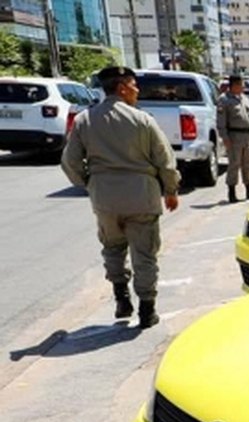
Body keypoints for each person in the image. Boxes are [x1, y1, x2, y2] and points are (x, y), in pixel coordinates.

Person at [61, 66, 179, 328]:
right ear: (122, 87)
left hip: (105, 198)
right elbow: (165, 160)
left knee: (113, 247)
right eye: (134, 85)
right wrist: (171, 190)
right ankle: (147, 310)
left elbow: (70, 162)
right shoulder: (143, 120)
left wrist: (89, 184)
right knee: (144, 254)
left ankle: (121, 299)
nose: (137, 90)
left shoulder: (84, 120)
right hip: (142, 196)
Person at [217, 74, 249, 204]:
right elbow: (221, 122)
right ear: (234, 85)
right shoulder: (224, 100)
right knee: (234, 164)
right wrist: (225, 138)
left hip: (247, 136)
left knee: (248, 164)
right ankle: (232, 192)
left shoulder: (244, 98)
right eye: (241, 84)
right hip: (234, 137)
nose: (243, 87)